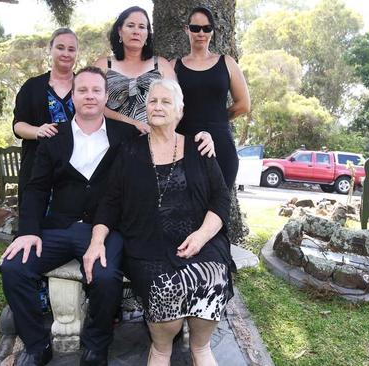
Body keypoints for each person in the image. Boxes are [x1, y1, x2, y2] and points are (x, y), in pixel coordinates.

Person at [0, 67, 216, 366]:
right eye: (83, 90)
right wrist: (28, 231)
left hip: (106, 227)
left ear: (105, 97)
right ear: (73, 96)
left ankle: (96, 345)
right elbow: (35, 189)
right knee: (13, 268)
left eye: (96, 90)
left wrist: (205, 136)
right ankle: (36, 345)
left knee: (103, 276)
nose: (89, 96)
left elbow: (168, 129)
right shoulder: (53, 136)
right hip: (59, 227)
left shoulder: (125, 135)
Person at [85, 79, 234, 366]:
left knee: (213, 275)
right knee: (165, 287)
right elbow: (110, 203)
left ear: (180, 111)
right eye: (153, 101)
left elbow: (221, 199)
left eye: (166, 102)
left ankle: (200, 348)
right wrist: (96, 241)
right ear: (145, 108)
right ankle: (161, 349)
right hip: (148, 244)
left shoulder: (199, 147)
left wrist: (202, 236)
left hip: (200, 240)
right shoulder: (128, 152)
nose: (158, 106)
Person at [171, 7, 250, 190]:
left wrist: (218, 119)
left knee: (218, 207)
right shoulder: (173, 66)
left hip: (221, 145)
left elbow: (244, 105)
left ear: (212, 31)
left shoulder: (227, 63)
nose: (201, 33)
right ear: (186, 29)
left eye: (207, 28)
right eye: (195, 28)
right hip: (184, 145)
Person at [12, 28, 77, 205]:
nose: (66, 53)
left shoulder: (85, 87)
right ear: (50, 49)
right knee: (34, 222)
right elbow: (18, 125)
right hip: (36, 169)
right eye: (60, 47)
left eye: (71, 49)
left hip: (76, 172)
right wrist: (37, 131)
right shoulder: (32, 87)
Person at [95, 6, 176, 135]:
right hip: (111, 141)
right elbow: (94, 104)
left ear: (147, 34)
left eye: (142, 27)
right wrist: (131, 122)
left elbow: (176, 105)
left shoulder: (161, 65)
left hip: (153, 140)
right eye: (131, 25)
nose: (136, 31)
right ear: (120, 31)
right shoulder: (103, 65)